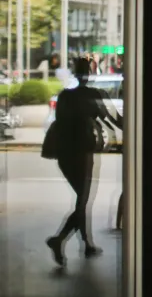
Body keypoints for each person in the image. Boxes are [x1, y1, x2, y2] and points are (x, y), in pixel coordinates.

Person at [45, 57, 123, 267]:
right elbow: (115, 121)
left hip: (64, 152)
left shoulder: (64, 97)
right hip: (82, 151)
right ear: (88, 73)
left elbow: (60, 122)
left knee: (82, 199)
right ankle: (60, 239)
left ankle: (86, 244)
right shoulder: (94, 95)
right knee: (83, 200)